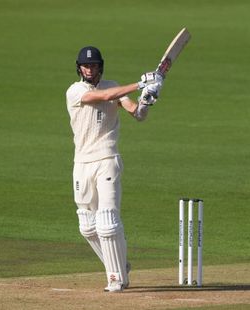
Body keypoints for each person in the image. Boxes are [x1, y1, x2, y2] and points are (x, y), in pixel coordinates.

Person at [66, 46, 162, 292]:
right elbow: (104, 97)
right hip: (81, 163)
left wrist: (147, 99)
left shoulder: (113, 86)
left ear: (101, 67)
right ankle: (119, 265)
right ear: (79, 68)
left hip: (107, 159)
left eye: (94, 65)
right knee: (87, 226)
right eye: (86, 66)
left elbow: (136, 113)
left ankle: (116, 278)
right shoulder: (75, 91)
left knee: (107, 221)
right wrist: (139, 84)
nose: (90, 69)